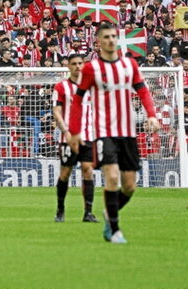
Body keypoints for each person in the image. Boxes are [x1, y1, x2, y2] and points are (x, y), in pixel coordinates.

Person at [68, 24, 160, 244]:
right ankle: (115, 230)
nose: (110, 40)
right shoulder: (91, 69)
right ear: (98, 42)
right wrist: (75, 131)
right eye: (106, 37)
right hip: (104, 131)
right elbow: (78, 100)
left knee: (129, 185)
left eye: (113, 36)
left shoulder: (130, 65)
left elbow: (142, 90)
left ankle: (110, 213)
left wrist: (151, 114)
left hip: (128, 132)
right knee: (111, 176)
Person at [51, 54, 98, 223]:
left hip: (88, 137)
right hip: (67, 138)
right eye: (74, 64)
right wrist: (66, 131)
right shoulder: (61, 87)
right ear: (68, 67)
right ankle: (60, 209)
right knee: (65, 173)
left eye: (80, 63)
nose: (78, 66)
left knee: (88, 170)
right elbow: (57, 111)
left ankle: (88, 212)